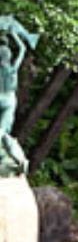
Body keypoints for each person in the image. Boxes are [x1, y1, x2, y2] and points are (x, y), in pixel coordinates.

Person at [0, 35, 29, 175]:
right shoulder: (13, 69)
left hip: (3, 100)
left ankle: (18, 161)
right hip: (8, 100)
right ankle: (18, 161)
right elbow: (22, 49)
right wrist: (14, 35)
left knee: (2, 134)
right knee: (3, 133)